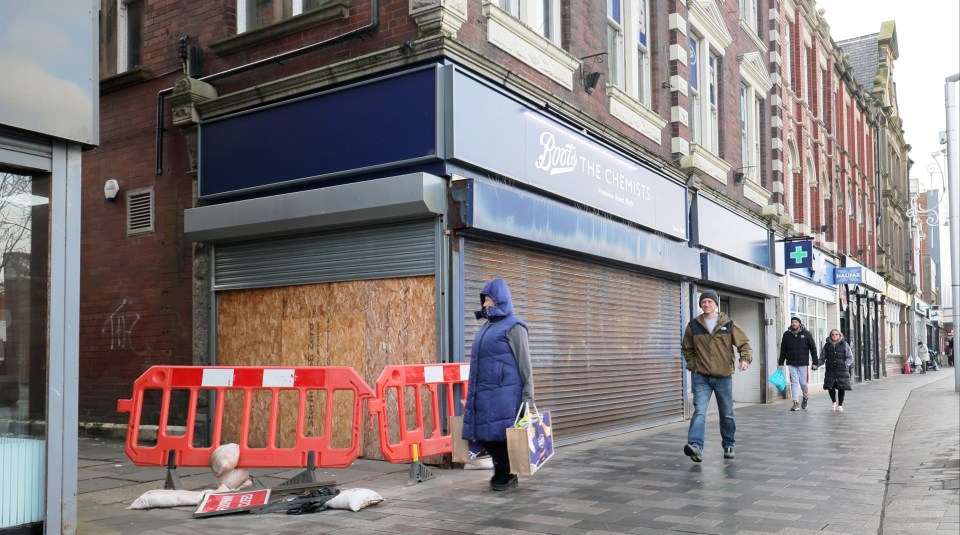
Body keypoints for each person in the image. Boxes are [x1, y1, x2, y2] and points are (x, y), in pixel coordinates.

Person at [462, 278, 534, 491]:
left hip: (505, 393)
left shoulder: (515, 326)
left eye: (488, 300)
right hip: (484, 392)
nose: (484, 305)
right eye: (484, 301)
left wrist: (528, 397)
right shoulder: (488, 326)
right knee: (482, 433)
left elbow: (525, 364)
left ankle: (506, 472)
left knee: (498, 435)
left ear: (499, 300)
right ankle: (503, 469)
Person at [680, 289, 752, 462]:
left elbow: (744, 343)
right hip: (702, 377)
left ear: (715, 304)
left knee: (726, 413)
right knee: (699, 412)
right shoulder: (694, 325)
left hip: (723, 376)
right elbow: (687, 348)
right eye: (703, 302)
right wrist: (693, 366)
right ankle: (695, 447)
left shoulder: (728, 324)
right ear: (700, 304)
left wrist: (745, 359)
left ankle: (729, 444)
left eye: (709, 302)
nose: (706, 304)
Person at [778, 316, 819, 411]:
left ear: (799, 323)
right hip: (791, 363)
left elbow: (813, 349)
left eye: (796, 322)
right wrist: (781, 363)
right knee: (794, 383)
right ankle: (796, 402)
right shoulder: (786, 334)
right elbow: (783, 349)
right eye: (793, 322)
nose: (794, 323)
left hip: (803, 363)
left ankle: (805, 397)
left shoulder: (807, 334)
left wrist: (815, 362)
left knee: (803, 383)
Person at [819, 329, 853, 412]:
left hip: (842, 370)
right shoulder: (827, 345)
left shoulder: (844, 344)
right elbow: (822, 358)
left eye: (836, 334)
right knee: (831, 386)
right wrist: (816, 365)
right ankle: (834, 402)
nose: (834, 336)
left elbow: (850, 357)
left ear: (839, 335)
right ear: (830, 336)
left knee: (841, 387)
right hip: (830, 369)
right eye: (833, 334)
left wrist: (846, 364)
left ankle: (840, 405)